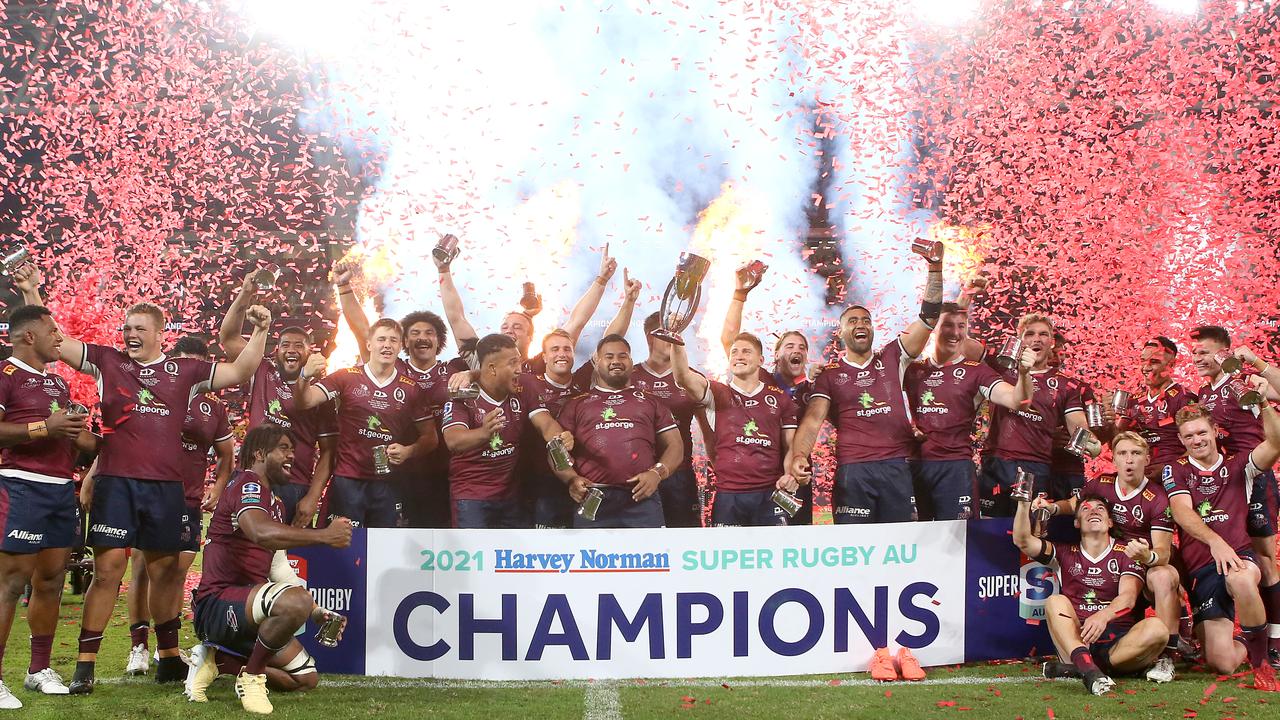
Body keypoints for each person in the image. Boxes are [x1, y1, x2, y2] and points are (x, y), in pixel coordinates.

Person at [14, 262, 270, 692]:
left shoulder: (186, 372)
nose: (130, 334)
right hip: (118, 484)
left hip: (167, 490)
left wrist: (260, 331)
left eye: (139, 328)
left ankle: (169, 657)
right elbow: (55, 341)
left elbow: (241, 371)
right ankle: (85, 665)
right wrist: (30, 292)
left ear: (159, 333)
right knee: (109, 571)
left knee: (165, 571)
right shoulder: (106, 362)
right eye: (127, 327)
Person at [186, 426, 353, 714]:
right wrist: (325, 536)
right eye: (284, 449)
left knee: (304, 679)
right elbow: (260, 532)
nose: (293, 456)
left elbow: (280, 569)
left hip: (248, 608)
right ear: (260, 453)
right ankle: (251, 676)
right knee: (293, 601)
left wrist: (315, 611)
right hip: (219, 603)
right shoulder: (247, 484)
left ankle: (218, 661)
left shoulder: (273, 502)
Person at [785, 246, 945, 523]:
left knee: (900, 546)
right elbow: (812, 422)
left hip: (896, 467)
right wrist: (799, 455)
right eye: (853, 320)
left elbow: (929, 316)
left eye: (866, 321)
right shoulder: (830, 374)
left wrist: (934, 268)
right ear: (841, 332)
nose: (861, 324)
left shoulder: (894, 355)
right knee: (855, 547)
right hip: (854, 471)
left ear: (872, 329)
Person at [0, 304, 96, 706]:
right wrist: (45, 427)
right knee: (10, 583)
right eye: (53, 331)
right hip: (19, 485)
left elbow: (72, 439)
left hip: (61, 489)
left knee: (52, 581)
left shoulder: (58, 384)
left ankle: (38, 669)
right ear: (29, 336)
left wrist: (88, 436)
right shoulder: (4, 374)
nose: (60, 337)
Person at [123, 336, 235, 677]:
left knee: (176, 573)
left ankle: (165, 647)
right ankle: (138, 647)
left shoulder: (212, 407)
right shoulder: (153, 391)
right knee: (142, 567)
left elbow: (227, 455)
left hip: (187, 498)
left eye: (194, 364)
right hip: (151, 490)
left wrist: (216, 487)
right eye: (181, 360)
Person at [1037, 432, 1181, 682]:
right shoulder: (1100, 484)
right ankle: (1083, 661)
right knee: (1058, 601)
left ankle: (1166, 656)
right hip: (1110, 559)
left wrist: (1146, 556)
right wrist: (1052, 508)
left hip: (1142, 565)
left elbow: (1164, 553)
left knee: (1164, 575)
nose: (1129, 460)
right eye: (1123, 454)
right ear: (1113, 458)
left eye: (1136, 454)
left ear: (1147, 459)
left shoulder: (1157, 497)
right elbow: (1076, 503)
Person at [1164, 398, 1280, 687]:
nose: (1196, 440)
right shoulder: (1175, 469)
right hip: (1202, 569)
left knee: (1241, 579)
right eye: (1189, 435)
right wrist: (1215, 542)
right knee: (1222, 663)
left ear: (1215, 430)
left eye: (1202, 432)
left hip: (1239, 555)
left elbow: (1276, 444)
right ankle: (1250, 637)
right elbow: (1180, 510)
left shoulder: (1240, 463)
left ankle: (1260, 662)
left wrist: (1264, 403)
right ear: (1181, 439)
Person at [335, 268, 463, 528]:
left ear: (439, 339)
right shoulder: (396, 369)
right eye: (414, 333)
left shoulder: (454, 369)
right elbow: (363, 332)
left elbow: (465, 331)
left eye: (429, 332)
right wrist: (344, 288)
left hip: (446, 472)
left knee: (439, 536)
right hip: (400, 472)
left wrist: (471, 375)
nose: (422, 337)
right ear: (405, 341)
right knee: (396, 536)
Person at [1012, 493, 1168, 695]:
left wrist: (1103, 616)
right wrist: (1024, 504)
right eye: (1086, 508)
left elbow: (1128, 598)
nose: (1093, 511)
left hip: (1117, 645)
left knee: (1158, 629)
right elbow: (1023, 541)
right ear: (1076, 523)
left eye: (1100, 509)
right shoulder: (1064, 552)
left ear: (1110, 522)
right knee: (1055, 600)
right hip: (1077, 639)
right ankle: (1085, 665)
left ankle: (1085, 670)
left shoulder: (1126, 552)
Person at [1190, 326, 1280, 661]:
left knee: (1265, 559)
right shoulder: (1203, 392)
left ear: (1225, 352)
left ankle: (1275, 639)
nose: (1198, 358)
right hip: (1220, 485)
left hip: (1252, 477)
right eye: (1195, 353)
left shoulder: (1241, 382)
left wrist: (1256, 361)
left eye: (1206, 352)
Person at [220, 272, 338, 527]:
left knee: (288, 561)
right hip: (250, 477)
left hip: (293, 485)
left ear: (309, 352)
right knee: (243, 553)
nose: (291, 350)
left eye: (299, 346)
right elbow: (228, 339)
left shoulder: (321, 393)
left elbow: (329, 452)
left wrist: (312, 497)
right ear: (276, 351)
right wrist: (246, 292)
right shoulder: (262, 371)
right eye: (285, 345)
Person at [293, 319, 436, 528]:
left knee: (383, 550)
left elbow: (430, 438)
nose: (387, 345)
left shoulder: (411, 389)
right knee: (343, 548)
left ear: (400, 346)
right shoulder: (346, 378)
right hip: (348, 481)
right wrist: (304, 376)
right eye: (381, 339)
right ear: (369, 344)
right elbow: (304, 401)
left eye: (393, 340)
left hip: (388, 485)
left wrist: (409, 451)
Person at [906, 302, 1033, 520]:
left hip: (955, 469)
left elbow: (1018, 401)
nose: (955, 333)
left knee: (961, 543)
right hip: (915, 468)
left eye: (961, 326)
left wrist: (1023, 373)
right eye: (948, 325)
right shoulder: (912, 370)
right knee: (915, 544)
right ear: (934, 327)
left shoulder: (977, 372)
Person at [601, 281, 711, 527]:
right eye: (668, 332)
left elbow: (707, 429)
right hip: (637, 474)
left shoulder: (691, 378)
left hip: (679, 474)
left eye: (677, 331)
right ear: (651, 337)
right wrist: (629, 301)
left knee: (684, 542)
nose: (674, 337)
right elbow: (607, 343)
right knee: (643, 545)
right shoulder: (629, 376)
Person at [440, 334, 572, 528]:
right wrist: (484, 432)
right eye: (513, 363)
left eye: (519, 362)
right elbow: (454, 441)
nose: (519, 369)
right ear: (492, 368)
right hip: (471, 497)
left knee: (513, 557)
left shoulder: (525, 386)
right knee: (477, 556)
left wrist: (560, 437)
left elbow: (544, 422)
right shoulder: (463, 393)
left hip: (512, 497)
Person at [719, 263, 816, 523]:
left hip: (797, 468)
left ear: (806, 356)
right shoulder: (760, 378)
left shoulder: (814, 389)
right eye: (789, 346)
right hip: (760, 478)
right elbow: (730, 340)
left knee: (797, 537)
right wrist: (740, 295)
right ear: (773, 355)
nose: (796, 350)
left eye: (802, 347)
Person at [556, 334, 684, 528]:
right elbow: (555, 451)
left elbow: (675, 445)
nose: (616, 361)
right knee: (591, 558)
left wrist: (657, 473)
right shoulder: (576, 404)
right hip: (592, 501)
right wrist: (571, 479)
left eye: (622, 356)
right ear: (597, 362)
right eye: (609, 356)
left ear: (631, 361)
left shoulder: (651, 402)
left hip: (641, 499)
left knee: (650, 558)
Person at [671, 335, 799, 526]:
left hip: (769, 495)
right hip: (729, 496)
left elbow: (790, 446)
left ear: (761, 361)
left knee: (774, 554)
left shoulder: (779, 398)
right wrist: (677, 341)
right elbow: (682, 376)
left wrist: (790, 474)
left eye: (746, 351)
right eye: (734, 352)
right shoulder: (717, 392)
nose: (739, 356)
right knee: (727, 555)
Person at [436, 240, 616, 371]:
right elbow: (456, 318)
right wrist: (443, 270)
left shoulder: (543, 364)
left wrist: (601, 280)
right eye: (505, 327)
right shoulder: (481, 363)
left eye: (517, 327)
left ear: (531, 337)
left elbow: (577, 322)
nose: (508, 330)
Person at [975, 313, 1090, 516]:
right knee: (989, 527)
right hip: (996, 461)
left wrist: (1092, 442)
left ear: (1052, 342)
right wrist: (966, 297)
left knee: (1031, 530)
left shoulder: (1066, 385)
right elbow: (966, 347)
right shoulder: (1001, 368)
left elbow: (1079, 426)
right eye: (1030, 334)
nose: (1037, 339)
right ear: (1020, 340)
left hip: (1036, 466)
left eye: (1043, 334)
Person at [1116, 337, 1199, 477]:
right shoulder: (1134, 399)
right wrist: (1106, 424)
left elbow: (1199, 444)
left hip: (1174, 477)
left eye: (1154, 362)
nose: (1146, 367)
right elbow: (1118, 438)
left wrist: (1169, 469)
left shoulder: (1184, 398)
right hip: (1137, 474)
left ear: (1171, 365)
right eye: (1143, 361)